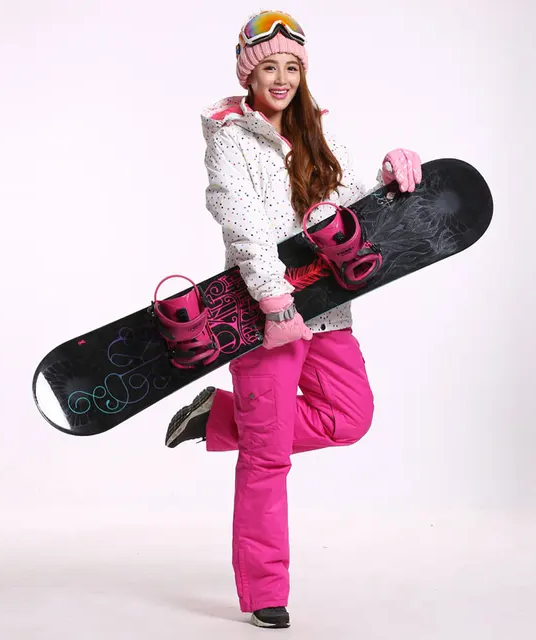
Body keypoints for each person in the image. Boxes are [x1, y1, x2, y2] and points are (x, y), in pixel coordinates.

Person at [164, 10, 422, 629]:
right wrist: (274, 301)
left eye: (292, 68)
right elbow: (242, 222)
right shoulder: (229, 136)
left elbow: (350, 203)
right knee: (268, 459)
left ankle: (217, 417)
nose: (281, 79)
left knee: (349, 417)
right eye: (269, 68)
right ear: (248, 75)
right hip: (262, 316)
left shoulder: (315, 131)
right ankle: (264, 592)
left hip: (327, 308)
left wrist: (391, 175)